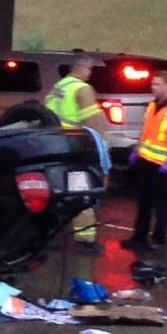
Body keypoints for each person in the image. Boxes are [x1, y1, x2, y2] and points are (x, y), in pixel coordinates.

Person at [44, 53, 109, 249]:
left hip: (53, 145)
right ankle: (85, 239)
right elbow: (93, 121)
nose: (90, 74)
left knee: (55, 191)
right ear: (83, 68)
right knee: (81, 190)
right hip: (74, 147)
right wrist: (102, 147)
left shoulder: (58, 87)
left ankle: (48, 235)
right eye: (89, 70)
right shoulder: (83, 89)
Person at [122, 67, 167, 252]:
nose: (153, 87)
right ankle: (139, 237)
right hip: (146, 161)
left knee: (161, 205)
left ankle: (158, 239)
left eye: (157, 84)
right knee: (143, 202)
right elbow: (146, 130)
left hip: (162, 166)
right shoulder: (152, 105)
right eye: (152, 83)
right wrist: (137, 149)